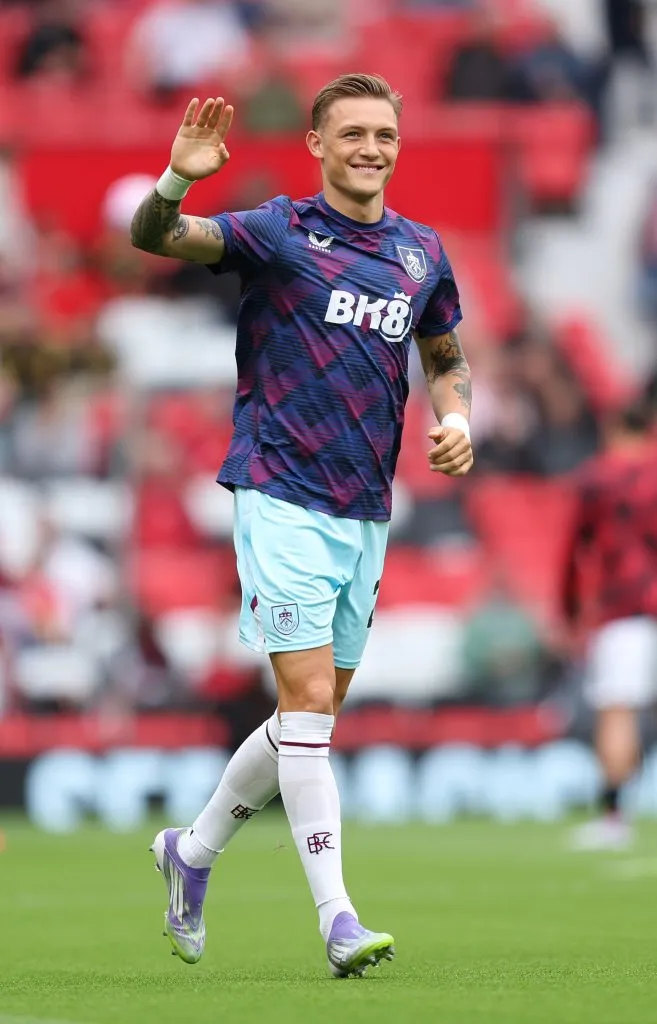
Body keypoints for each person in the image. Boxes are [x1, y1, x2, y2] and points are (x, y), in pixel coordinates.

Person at [131, 73, 473, 977]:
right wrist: (175, 181)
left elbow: (442, 352)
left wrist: (456, 418)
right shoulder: (280, 230)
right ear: (317, 144)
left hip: (365, 508)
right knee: (311, 706)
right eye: (352, 132)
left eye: (385, 134)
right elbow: (157, 237)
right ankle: (339, 921)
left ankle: (191, 853)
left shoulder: (419, 252)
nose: (371, 147)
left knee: (305, 719)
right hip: (279, 489)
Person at [563, 401, 657, 851]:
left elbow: (573, 553)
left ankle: (615, 816)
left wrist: (568, 611)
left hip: (627, 608)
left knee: (618, 712)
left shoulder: (598, 478)